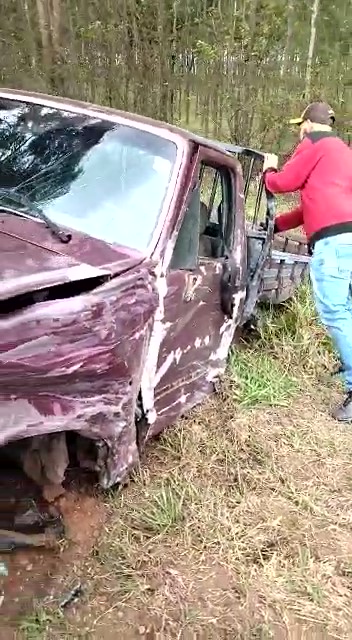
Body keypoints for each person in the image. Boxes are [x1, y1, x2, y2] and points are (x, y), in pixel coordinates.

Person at [262, 101, 352, 422]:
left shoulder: (314, 144)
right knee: (349, 310)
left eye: (300, 126)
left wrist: (268, 171)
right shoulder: (343, 151)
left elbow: (282, 182)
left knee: (335, 313)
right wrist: (276, 225)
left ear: (308, 124)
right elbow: (313, 205)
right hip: (349, 239)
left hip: (332, 243)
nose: (299, 132)